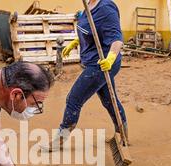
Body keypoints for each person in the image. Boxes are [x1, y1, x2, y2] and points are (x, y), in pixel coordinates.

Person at [42, 0, 127, 151]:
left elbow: (116, 38)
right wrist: (77, 41)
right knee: (109, 100)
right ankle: (123, 134)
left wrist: (111, 58)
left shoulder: (106, 8)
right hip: (93, 60)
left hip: (101, 63)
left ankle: (59, 141)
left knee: (74, 99)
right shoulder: (89, 5)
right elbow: (92, 31)